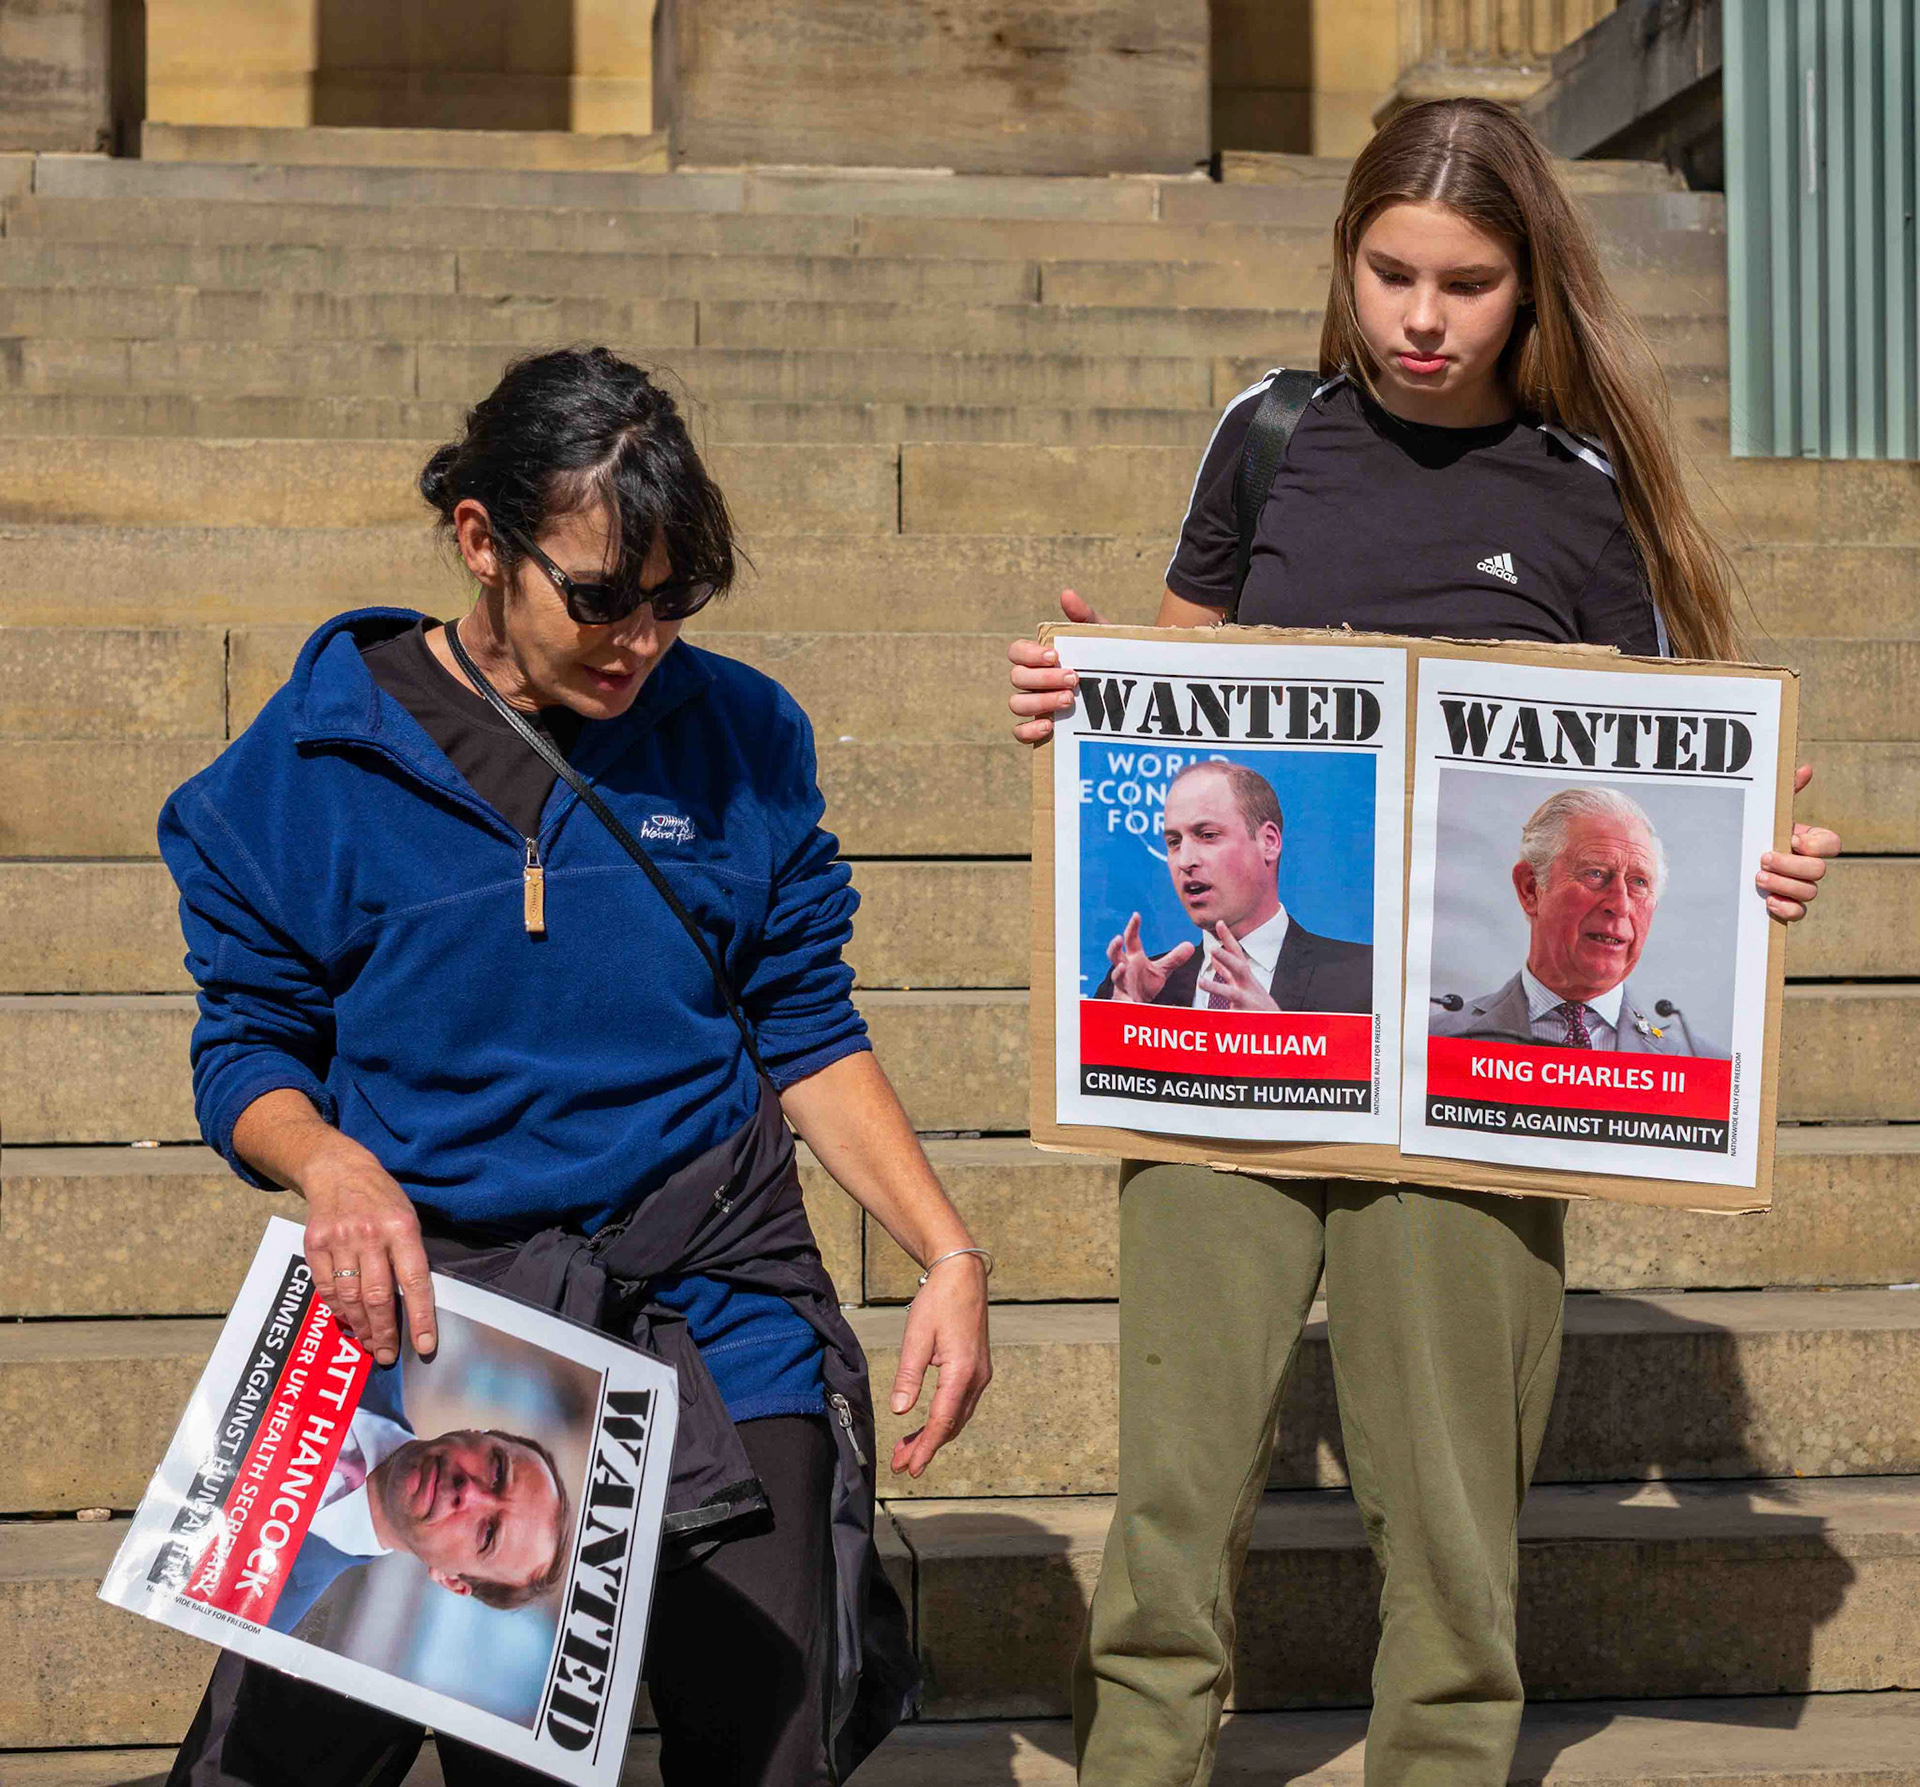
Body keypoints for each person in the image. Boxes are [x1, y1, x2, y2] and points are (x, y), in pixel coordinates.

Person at [1006, 99, 1840, 1786]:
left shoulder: (1584, 492)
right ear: (1346, 261)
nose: (1422, 315)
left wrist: (1765, 860)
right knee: (1175, 1475)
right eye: (1390, 271)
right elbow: (1188, 705)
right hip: (1230, 1070)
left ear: (1532, 288)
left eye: (1467, 281)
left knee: (1453, 1502)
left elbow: (1670, 775)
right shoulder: (1265, 433)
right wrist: (1085, 708)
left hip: (1469, 1092)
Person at [160, 346, 992, 1787]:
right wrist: (331, 1159)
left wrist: (945, 1249)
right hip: (452, 1316)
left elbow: (804, 1015)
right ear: (482, 541)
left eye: (676, 599)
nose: (642, 639)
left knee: (769, 1739)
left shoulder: (743, 735)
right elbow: (245, 1047)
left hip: (714, 1282)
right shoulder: (302, 766)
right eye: (600, 598)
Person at [267, 1360, 569, 1636]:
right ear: (480, 1432)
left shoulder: (267, 1609)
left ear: (451, 1580)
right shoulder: (369, 1328)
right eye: (497, 1472)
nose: (469, 1492)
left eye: (488, 1534)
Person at [1432, 786, 1724, 1056]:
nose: (1620, 905)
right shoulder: (1439, 1041)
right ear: (1531, 888)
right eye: (1595, 874)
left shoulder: (1702, 1064)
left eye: (1638, 882)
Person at [1095, 760, 1372, 1012]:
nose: (1185, 861)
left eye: (1207, 835)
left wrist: (1279, 1038)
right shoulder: (1132, 989)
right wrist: (1127, 1016)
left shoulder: (1361, 978)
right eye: (1174, 842)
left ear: (1269, 842)